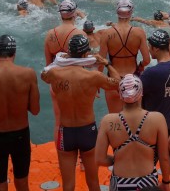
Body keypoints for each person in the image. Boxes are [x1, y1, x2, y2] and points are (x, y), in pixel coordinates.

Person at [41, 34, 121, 191]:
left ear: (69, 53)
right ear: (86, 54)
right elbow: (118, 82)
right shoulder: (93, 76)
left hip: (65, 132)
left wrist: (61, 60)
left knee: (68, 186)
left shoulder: (55, 74)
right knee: (93, 183)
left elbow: (44, 75)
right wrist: (106, 63)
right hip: (87, 131)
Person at [0, 35, 40, 191]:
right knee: (22, 182)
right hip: (20, 135)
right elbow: (35, 110)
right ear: (14, 53)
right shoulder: (28, 74)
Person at [95, 74, 170, 191]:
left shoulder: (108, 121)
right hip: (148, 181)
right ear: (141, 93)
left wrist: (117, 158)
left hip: (120, 182)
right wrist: (166, 182)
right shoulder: (157, 119)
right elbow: (164, 157)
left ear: (120, 95)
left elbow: (99, 159)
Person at [104, 0, 151, 113]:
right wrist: (140, 66)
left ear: (117, 12)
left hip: (113, 80)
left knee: (115, 119)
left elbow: (100, 62)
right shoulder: (139, 32)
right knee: (135, 120)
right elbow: (147, 60)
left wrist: (96, 84)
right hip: (133, 79)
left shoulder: (107, 33)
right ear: (131, 12)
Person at [142, 30, 170, 133]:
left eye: (150, 46)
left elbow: (133, 95)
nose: (149, 49)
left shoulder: (150, 73)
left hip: (156, 128)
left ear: (156, 49)